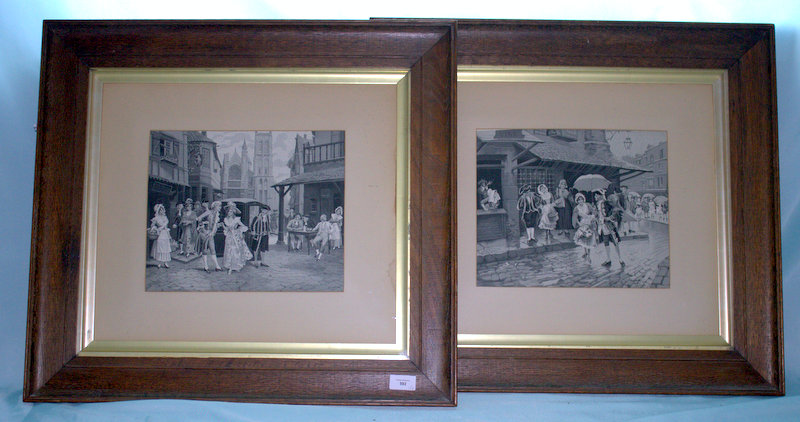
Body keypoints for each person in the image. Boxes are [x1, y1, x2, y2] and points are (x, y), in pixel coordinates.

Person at [594, 189, 625, 268]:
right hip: (602, 226)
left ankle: (620, 258)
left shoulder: (606, 203)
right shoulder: (597, 204)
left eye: (596, 195)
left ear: (600, 195)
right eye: (595, 195)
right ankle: (608, 259)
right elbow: (598, 215)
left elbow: (614, 211)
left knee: (615, 242)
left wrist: (609, 218)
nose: (595, 197)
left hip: (609, 225)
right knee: (606, 243)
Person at [222, 201, 253, 274]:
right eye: (229, 211)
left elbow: (243, 226)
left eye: (231, 211)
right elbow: (226, 229)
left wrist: (238, 230)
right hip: (229, 236)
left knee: (235, 250)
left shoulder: (236, 219)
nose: (230, 212)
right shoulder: (225, 219)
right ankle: (229, 266)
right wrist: (223, 226)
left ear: (233, 212)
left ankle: (236, 266)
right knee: (229, 250)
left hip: (235, 236)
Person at [196, 200, 222, 272]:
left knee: (212, 249)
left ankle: (217, 266)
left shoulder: (217, 214)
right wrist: (203, 226)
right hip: (205, 233)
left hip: (211, 233)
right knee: (205, 249)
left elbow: (214, 225)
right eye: (218, 206)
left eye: (220, 206)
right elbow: (198, 219)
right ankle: (206, 266)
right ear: (214, 206)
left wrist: (217, 226)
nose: (220, 207)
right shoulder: (208, 212)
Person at [571, 193, 596, 261]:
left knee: (589, 238)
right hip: (582, 224)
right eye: (579, 200)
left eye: (581, 199)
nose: (580, 201)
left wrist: (592, 216)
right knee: (584, 239)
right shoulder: (576, 208)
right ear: (577, 201)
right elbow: (575, 217)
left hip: (589, 222)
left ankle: (589, 255)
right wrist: (578, 223)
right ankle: (585, 252)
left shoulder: (587, 205)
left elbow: (593, 212)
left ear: (583, 199)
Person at [148, 204, 172, 268]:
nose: (162, 211)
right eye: (160, 210)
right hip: (160, 233)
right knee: (160, 247)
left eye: (163, 210)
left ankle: (165, 262)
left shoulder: (165, 218)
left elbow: (166, 226)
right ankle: (159, 262)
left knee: (165, 248)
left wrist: (165, 230)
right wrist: (155, 228)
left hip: (165, 234)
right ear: (158, 211)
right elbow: (152, 225)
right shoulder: (156, 218)